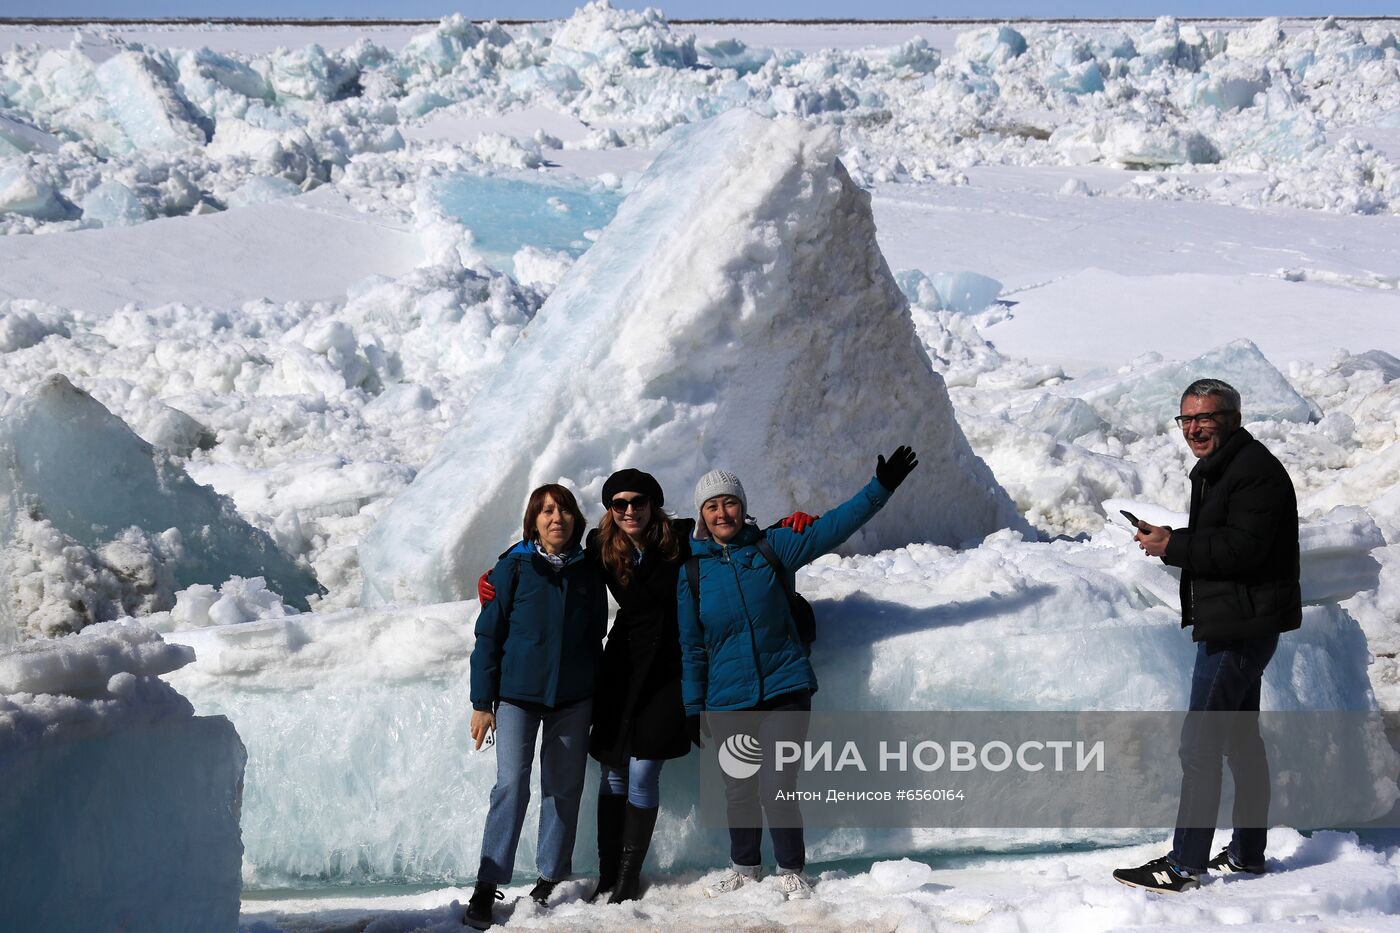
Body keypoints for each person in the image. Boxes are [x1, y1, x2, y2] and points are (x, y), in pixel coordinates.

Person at [476, 470, 818, 906]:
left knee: (641, 772)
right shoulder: (602, 547)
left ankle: (626, 877)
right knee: (613, 773)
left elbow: (724, 539)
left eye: (637, 501)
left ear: (653, 503)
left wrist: (783, 527)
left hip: (666, 671)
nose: (629, 510)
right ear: (610, 511)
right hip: (622, 667)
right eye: (619, 504)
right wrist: (497, 569)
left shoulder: (677, 540)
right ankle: (605, 874)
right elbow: (545, 551)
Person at [679, 445, 918, 899]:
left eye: (729, 502)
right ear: (701, 517)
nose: (721, 512)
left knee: (778, 785)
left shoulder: (773, 548)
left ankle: (791, 868)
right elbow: (692, 646)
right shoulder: (692, 572)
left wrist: (880, 488)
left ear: (743, 507)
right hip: (729, 697)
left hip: (785, 686)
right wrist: (694, 705)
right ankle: (745, 867)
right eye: (711, 506)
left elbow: (833, 527)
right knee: (739, 790)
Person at [1113, 379, 1301, 894]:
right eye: (1187, 420)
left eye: (1206, 419)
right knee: (1240, 742)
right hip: (1239, 620)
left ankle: (1184, 864)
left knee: (1199, 745)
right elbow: (1228, 540)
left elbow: (1244, 551)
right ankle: (1246, 853)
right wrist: (1175, 540)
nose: (1194, 429)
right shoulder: (1224, 469)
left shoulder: (1252, 473)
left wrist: (1173, 545)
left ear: (1233, 419)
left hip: (1239, 629)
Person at [465, 484, 607, 930]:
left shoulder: (588, 571)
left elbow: (594, 635)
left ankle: (549, 877)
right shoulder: (514, 567)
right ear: (534, 521)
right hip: (515, 697)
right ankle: (488, 885)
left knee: (563, 788)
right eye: (546, 511)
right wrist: (482, 702)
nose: (556, 518)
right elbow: (489, 635)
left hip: (573, 698)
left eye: (563, 510)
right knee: (510, 784)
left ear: (575, 520)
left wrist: (596, 692)